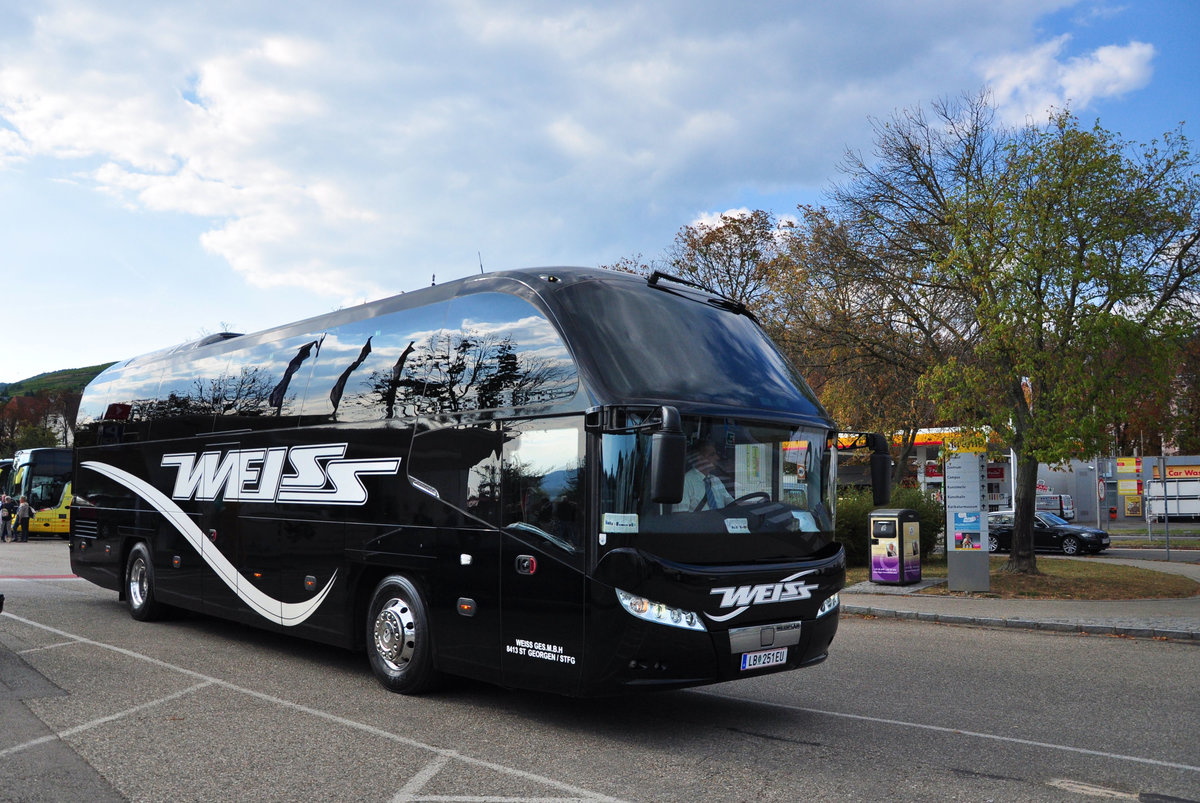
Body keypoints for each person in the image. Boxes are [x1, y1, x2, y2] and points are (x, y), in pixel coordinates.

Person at [675, 441, 734, 512]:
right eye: (712, 455)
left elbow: (731, 503)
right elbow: (680, 516)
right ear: (699, 458)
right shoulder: (685, 482)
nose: (717, 458)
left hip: (720, 521)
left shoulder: (715, 480)